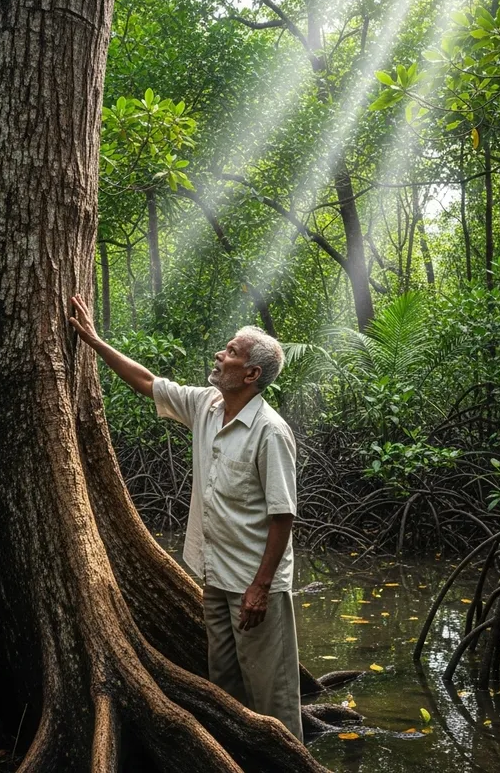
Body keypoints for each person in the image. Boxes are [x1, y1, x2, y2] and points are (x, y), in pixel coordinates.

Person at [70, 294, 303, 741]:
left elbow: (282, 515)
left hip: (255, 587)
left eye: (231, 352)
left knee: (271, 698)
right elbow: (149, 381)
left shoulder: (271, 431)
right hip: (214, 576)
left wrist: (260, 587)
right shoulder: (206, 406)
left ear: (251, 373)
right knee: (225, 691)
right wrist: (95, 342)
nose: (220, 354)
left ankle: (286, 760)